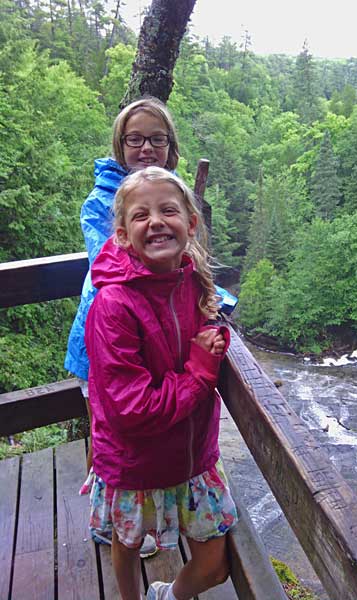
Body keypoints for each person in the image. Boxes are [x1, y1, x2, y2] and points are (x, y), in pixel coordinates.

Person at [83, 166, 238, 600]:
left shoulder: (191, 279)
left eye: (168, 210)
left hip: (192, 459)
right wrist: (200, 372)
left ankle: (166, 596)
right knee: (127, 542)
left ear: (190, 224)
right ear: (121, 234)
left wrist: (214, 339)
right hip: (134, 464)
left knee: (214, 564)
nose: (155, 221)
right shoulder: (113, 306)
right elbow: (133, 410)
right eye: (140, 215)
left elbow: (209, 329)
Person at [66, 97, 180, 557]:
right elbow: (110, 263)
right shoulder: (102, 202)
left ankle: (137, 515)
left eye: (157, 139)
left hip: (154, 337)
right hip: (105, 339)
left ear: (171, 146)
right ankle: (109, 521)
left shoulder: (172, 190)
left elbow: (188, 259)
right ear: (120, 144)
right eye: (136, 139)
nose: (146, 148)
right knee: (108, 431)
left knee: (138, 434)